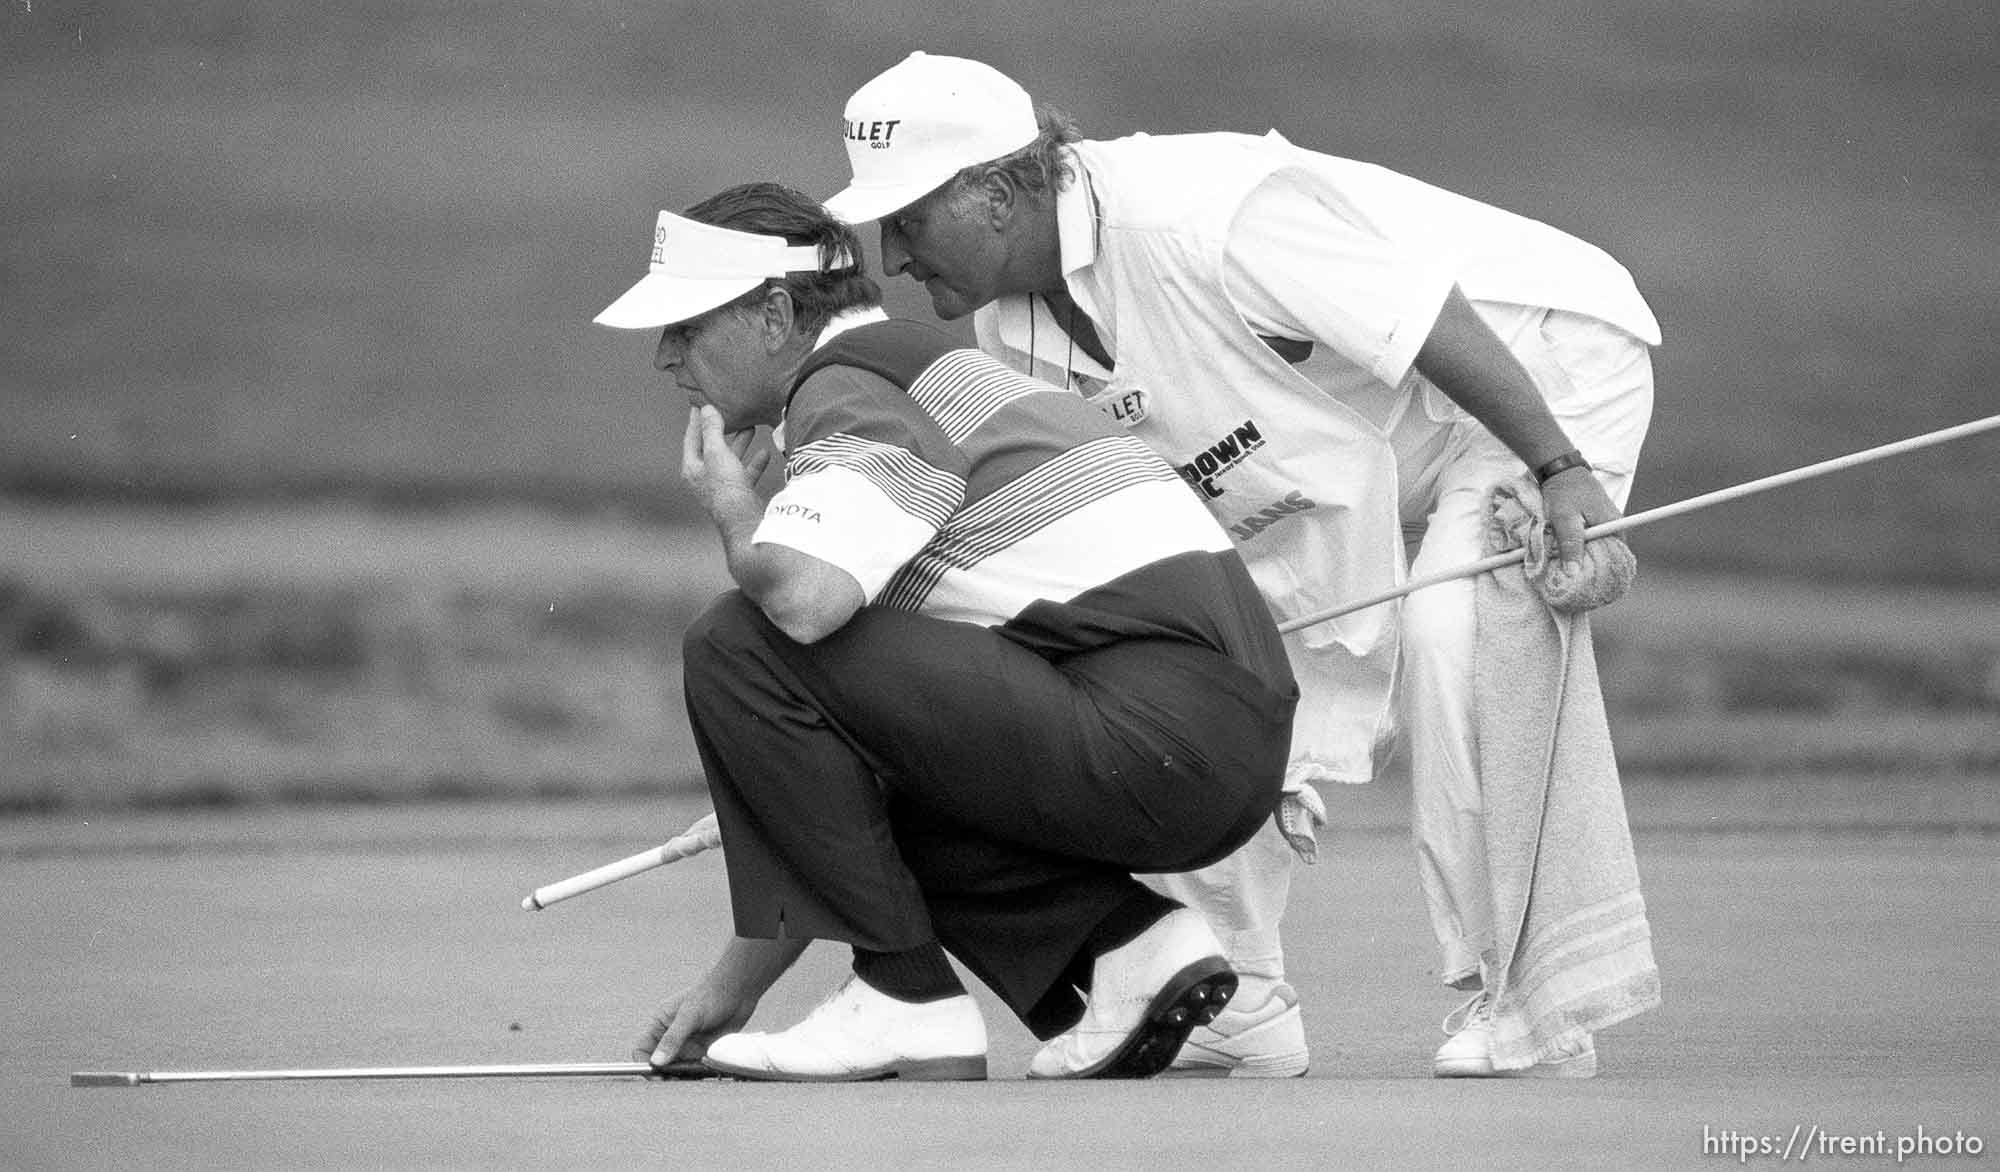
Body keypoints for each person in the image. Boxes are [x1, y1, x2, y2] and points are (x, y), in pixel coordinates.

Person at [820, 52, 1661, 1078]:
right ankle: (1238, 991)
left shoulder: (1202, 211)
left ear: (994, 193)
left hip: (1532, 366)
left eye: (905, 218)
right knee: (1187, 650)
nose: (889, 253)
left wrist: (1562, 467)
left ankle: (1529, 999)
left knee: (1454, 637)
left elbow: (1428, 319)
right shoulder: (1011, 326)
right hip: (1344, 443)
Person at [595, 182, 1299, 1081]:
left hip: (1157, 734)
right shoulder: (913, 367)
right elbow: (842, 760)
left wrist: (737, 517)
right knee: (826, 711)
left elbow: (801, 609)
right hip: (1210, 747)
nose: (665, 358)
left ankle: (903, 1000)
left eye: (686, 328)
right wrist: (734, 987)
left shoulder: (849, 386)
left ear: (775, 314)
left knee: (736, 644)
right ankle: (1127, 951)